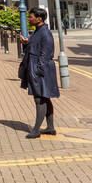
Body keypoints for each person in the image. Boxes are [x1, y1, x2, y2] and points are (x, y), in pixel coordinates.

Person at [20, 7, 59, 138]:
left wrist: (37, 71)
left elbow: (46, 54)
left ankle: (36, 130)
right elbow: (34, 49)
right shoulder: (37, 32)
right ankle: (50, 127)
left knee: (40, 99)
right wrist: (26, 43)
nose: (29, 19)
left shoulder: (45, 33)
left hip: (41, 70)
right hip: (37, 68)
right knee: (45, 98)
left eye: (31, 17)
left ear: (39, 19)